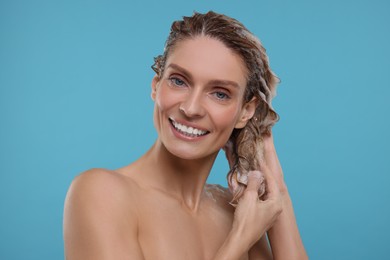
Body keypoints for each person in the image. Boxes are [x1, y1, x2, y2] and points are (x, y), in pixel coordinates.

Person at [63, 11, 308, 260]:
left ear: (246, 111)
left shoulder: (236, 209)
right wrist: (239, 239)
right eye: (179, 81)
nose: (190, 108)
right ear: (156, 86)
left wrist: (278, 194)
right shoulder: (102, 194)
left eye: (220, 94)